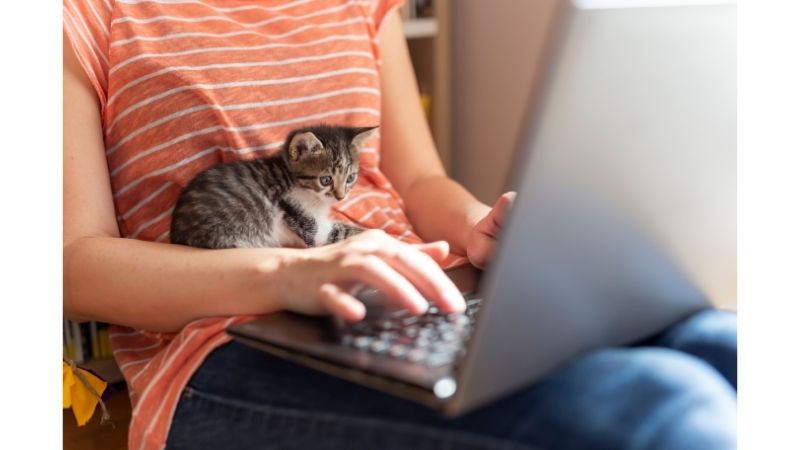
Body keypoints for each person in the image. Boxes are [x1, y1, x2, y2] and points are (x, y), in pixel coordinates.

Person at [63, 1, 737, 449]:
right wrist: (287, 271)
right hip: (227, 345)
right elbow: (69, 263)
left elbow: (416, 183)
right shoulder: (80, 14)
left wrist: (478, 225)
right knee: (666, 410)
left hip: (426, 291)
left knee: (729, 346)